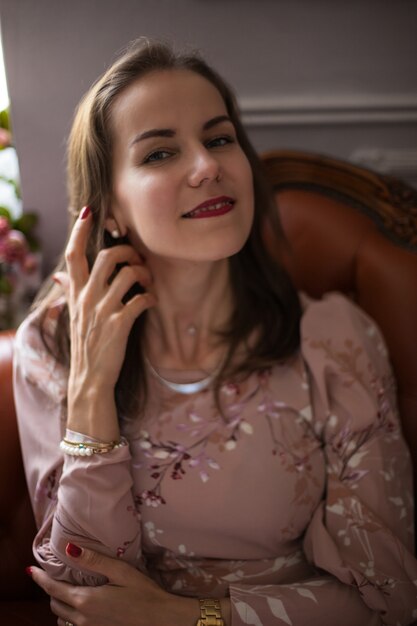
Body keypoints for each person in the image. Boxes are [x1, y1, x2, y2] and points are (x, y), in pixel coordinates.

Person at [14, 37, 417, 626]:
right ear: (110, 209)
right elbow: (82, 591)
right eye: (158, 154)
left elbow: (389, 596)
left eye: (219, 138)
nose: (207, 167)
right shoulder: (52, 345)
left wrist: (192, 618)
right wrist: (93, 390)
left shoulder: (333, 339)